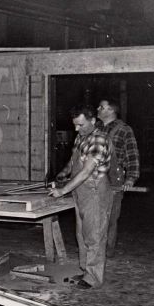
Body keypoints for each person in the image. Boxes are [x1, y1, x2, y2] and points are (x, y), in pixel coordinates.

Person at [50, 105, 113, 289]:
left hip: (95, 193)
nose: (77, 129)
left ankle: (93, 278)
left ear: (93, 121)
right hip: (80, 192)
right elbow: (73, 161)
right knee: (82, 234)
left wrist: (62, 191)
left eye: (81, 125)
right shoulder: (81, 137)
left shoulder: (99, 139)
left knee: (94, 236)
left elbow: (86, 172)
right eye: (75, 125)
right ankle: (86, 271)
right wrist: (64, 172)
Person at [97, 98, 139, 257]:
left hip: (113, 180)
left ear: (111, 111)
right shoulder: (95, 128)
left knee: (110, 218)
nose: (98, 109)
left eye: (101, 107)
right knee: (94, 217)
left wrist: (131, 178)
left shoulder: (124, 130)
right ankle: (94, 250)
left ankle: (106, 252)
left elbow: (132, 155)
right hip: (93, 178)